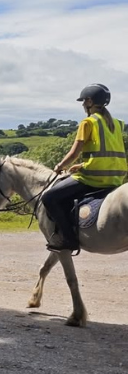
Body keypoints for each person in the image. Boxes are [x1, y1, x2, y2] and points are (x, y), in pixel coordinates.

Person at [41, 83, 127, 251]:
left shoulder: (88, 122)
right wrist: (81, 165)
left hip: (92, 178)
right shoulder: (118, 123)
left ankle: (69, 239)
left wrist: (59, 166)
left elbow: (73, 153)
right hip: (116, 179)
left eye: (83, 101)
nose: (82, 105)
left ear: (89, 101)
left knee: (49, 198)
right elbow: (105, 152)